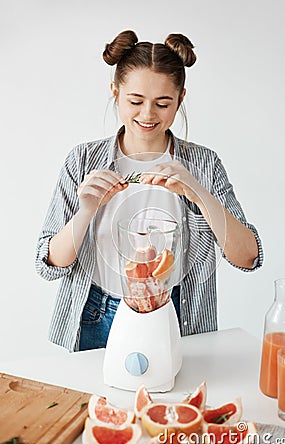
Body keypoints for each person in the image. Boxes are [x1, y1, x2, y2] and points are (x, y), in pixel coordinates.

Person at [36, 30, 263, 352]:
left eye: (163, 103)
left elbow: (248, 257)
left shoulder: (204, 163)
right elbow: (50, 264)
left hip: (178, 313)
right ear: (115, 92)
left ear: (181, 98)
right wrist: (86, 210)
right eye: (135, 101)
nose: (147, 114)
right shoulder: (82, 159)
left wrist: (198, 193)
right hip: (96, 313)